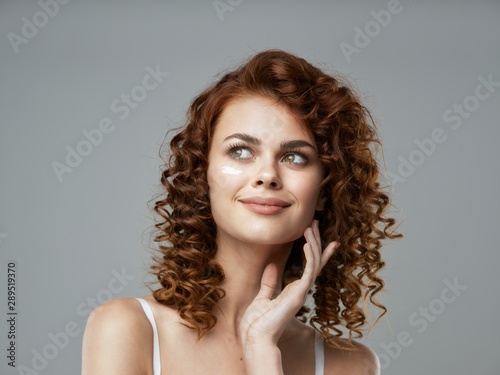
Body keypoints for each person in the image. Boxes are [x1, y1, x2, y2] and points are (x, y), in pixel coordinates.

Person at [82, 49, 402, 374]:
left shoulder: (349, 366)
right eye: (241, 151)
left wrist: (262, 352)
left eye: (294, 157)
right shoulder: (127, 329)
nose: (267, 175)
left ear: (324, 189)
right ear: (203, 174)